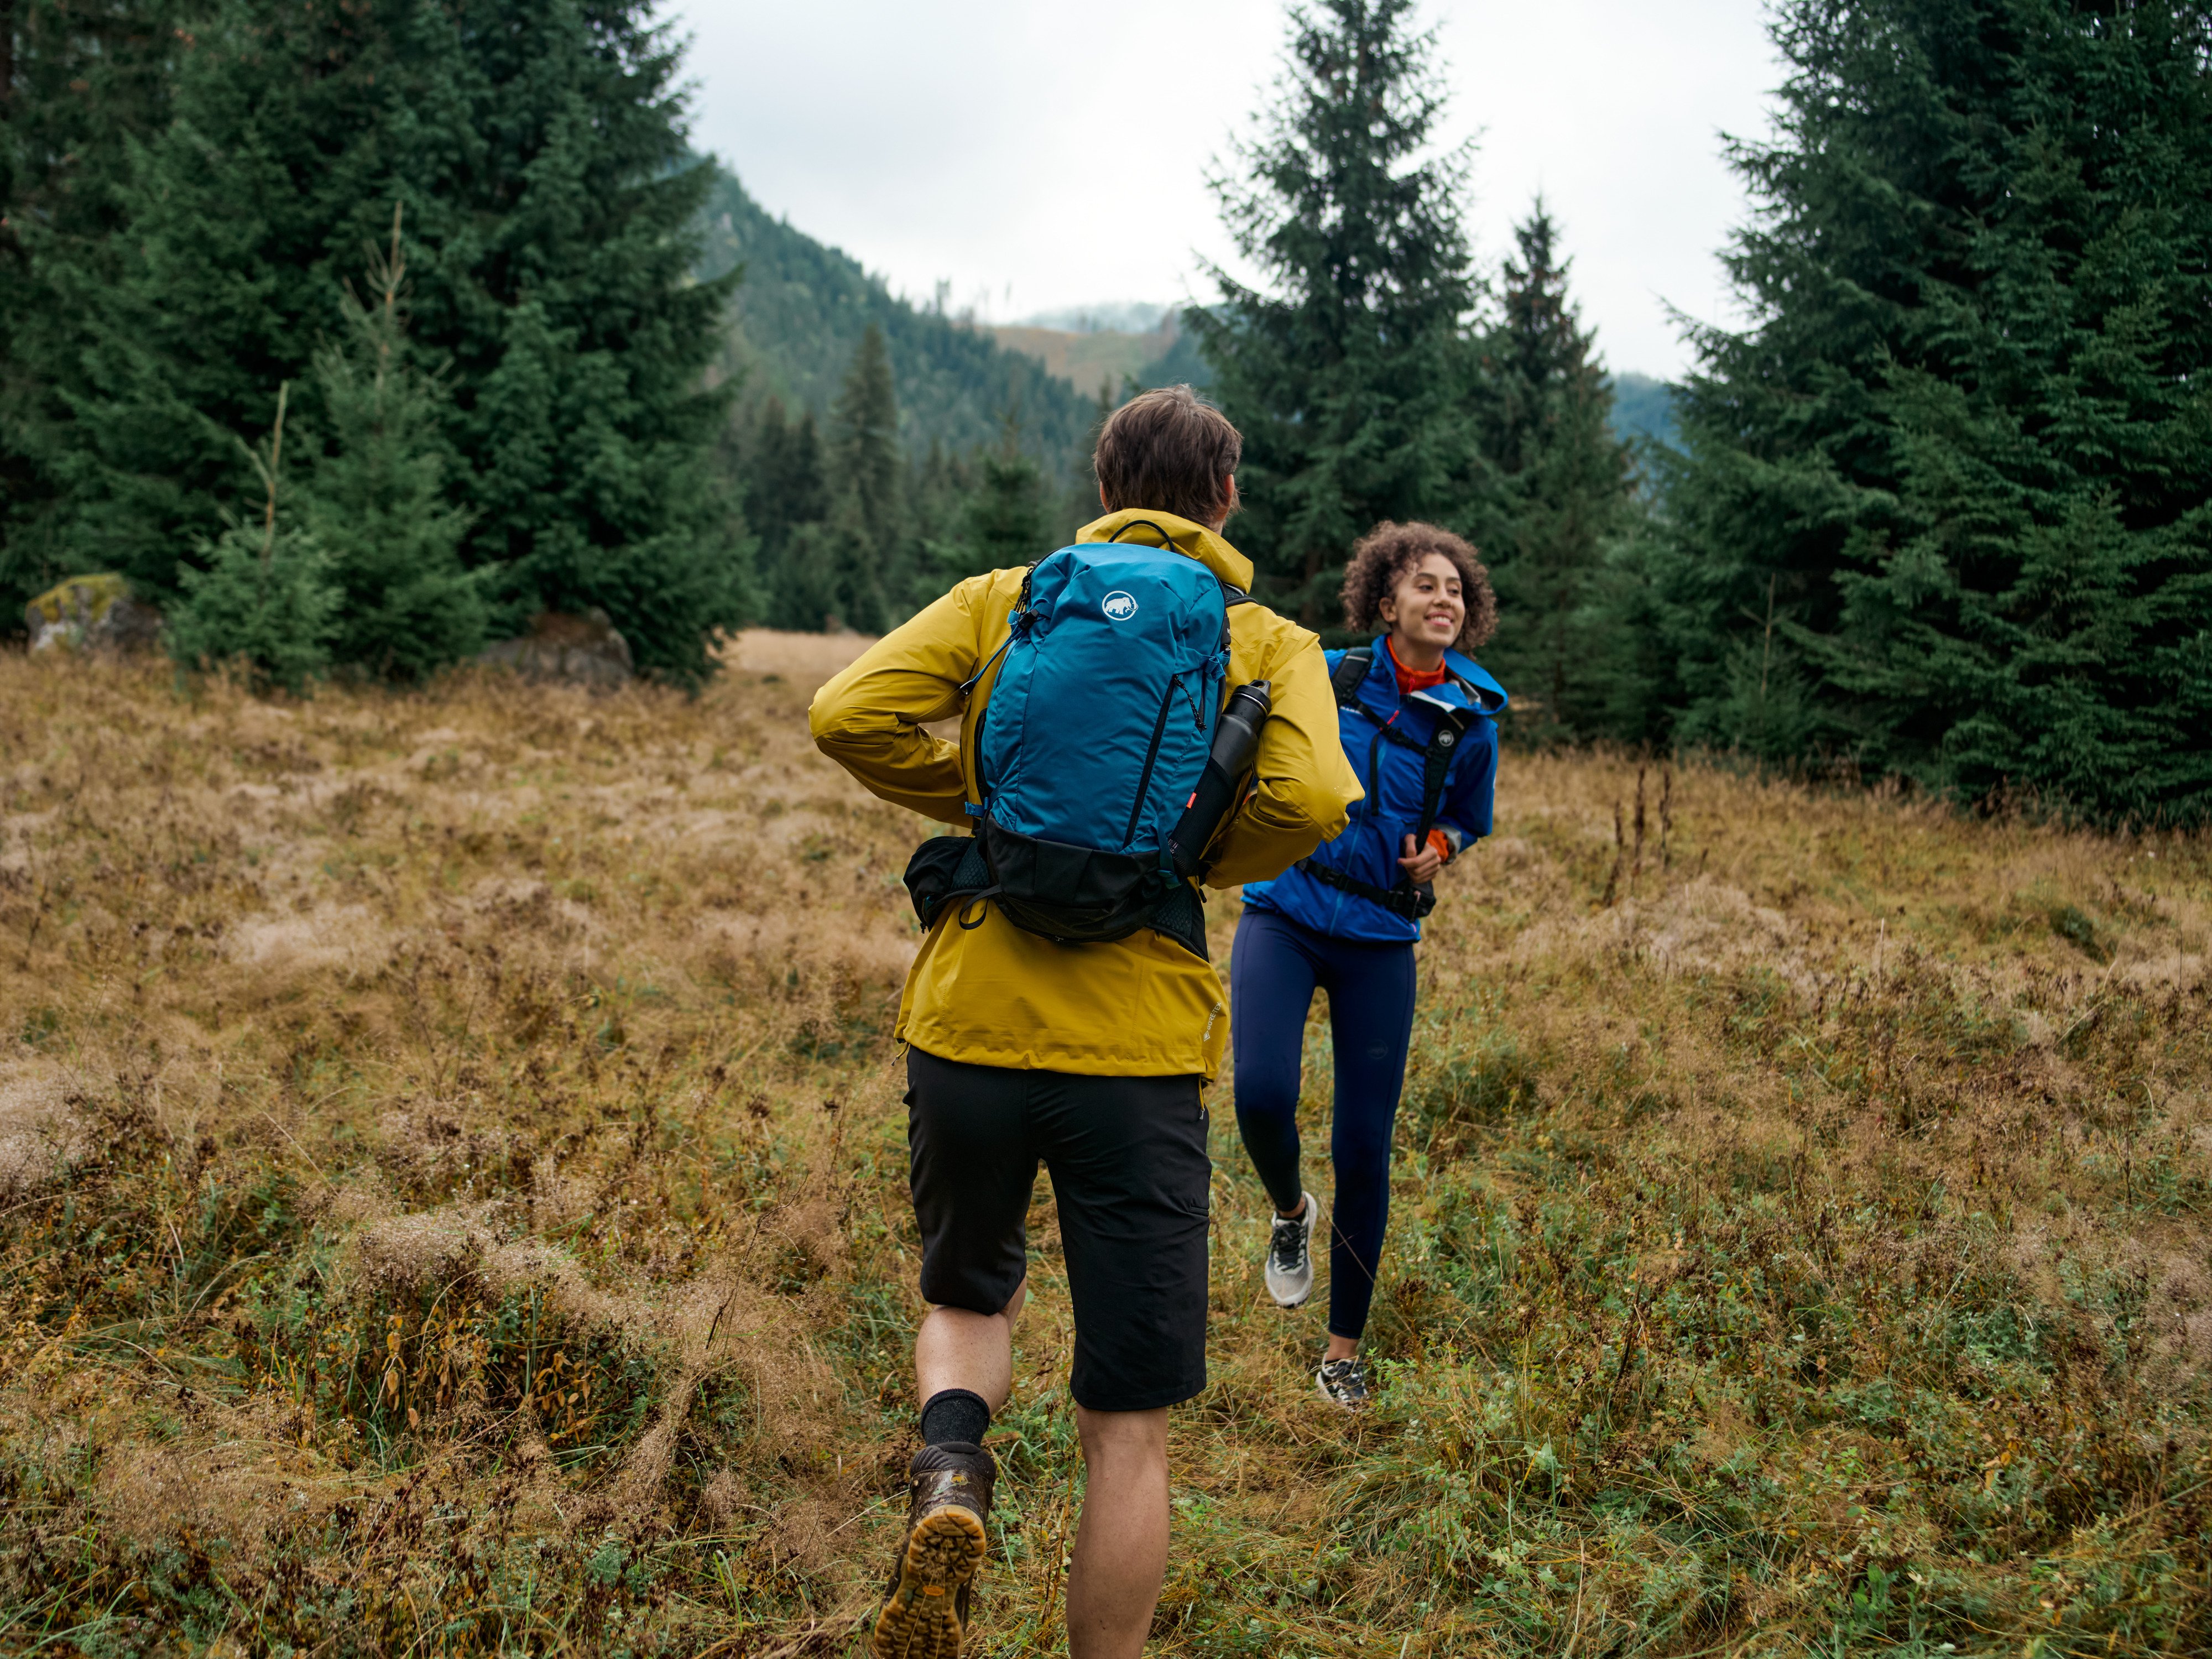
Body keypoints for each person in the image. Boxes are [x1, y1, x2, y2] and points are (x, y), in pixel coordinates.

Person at [809, 385, 1361, 1659]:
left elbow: (843, 712)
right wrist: (1186, 852)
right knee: (1128, 1423)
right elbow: (1318, 795)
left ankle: (952, 1471)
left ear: (1105, 486)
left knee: (968, 1295)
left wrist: (988, 806)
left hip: (967, 1026)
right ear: (1222, 499)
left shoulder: (1012, 595)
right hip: (1135, 1056)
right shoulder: (1260, 639)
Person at [1228, 521, 1506, 1410]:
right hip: (1288, 908)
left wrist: (1443, 847)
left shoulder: (1471, 714)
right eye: (1426, 585)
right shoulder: (1331, 676)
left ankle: (1341, 1351)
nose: (1444, 599)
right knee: (1261, 1094)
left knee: (1364, 1148)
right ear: (1386, 602)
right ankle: (1287, 1213)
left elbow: (1470, 814)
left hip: (1383, 938)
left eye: (1456, 589)